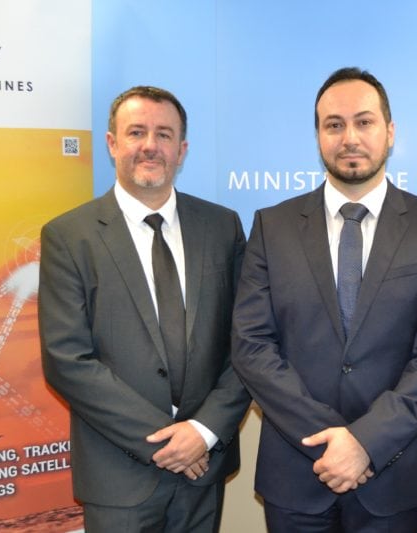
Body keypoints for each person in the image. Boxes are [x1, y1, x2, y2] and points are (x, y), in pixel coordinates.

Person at [231, 67, 417, 532]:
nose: (349, 137)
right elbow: (252, 346)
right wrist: (333, 442)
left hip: (396, 473)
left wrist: (365, 441)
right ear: (318, 135)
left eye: (364, 122)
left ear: (390, 131)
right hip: (298, 472)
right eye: (334, 124)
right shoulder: (271, 226)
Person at [39, 86, 250, 532]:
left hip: (202, 468)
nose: (150, 145)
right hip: (118, 476)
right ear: (113, 143)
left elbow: (248, 341)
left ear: (182, 150)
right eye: (136, 132)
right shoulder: (68, 236)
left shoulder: (222, 227)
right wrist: (166, 442)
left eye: (164, 134)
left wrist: (203, 432)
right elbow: (66, 359)